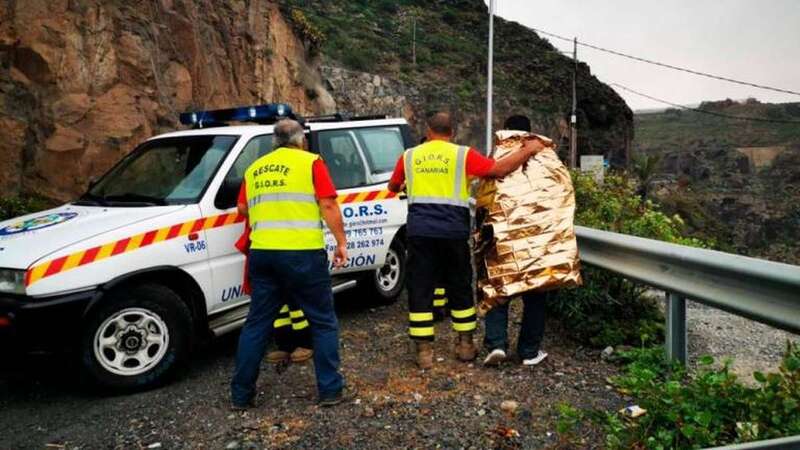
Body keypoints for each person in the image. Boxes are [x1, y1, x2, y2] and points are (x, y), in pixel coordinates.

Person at [388, 112, 547, 369]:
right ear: (452, 132)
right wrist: (528, 150)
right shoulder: (463, 155)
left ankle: (424, 352)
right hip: (453, 232)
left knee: (420, 288)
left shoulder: (409, 156)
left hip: (419, 232)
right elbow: (499, 169)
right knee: (460, 286)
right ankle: (465, 345)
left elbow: (393, 187)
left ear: (428, 131)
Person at [230, 119, 352, 409]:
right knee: (322, 321)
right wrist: (341, 242)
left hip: (262, 253)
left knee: (257, 324)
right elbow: (328, 204)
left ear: (274, 141)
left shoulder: (255, 167)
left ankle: (241, 396)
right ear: (300, 140)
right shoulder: (311, 162)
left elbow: (242, 207)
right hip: (302, 253)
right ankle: (330, 391)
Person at [483, 115, 549, 367]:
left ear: (505, 131)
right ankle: (529, 352)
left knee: (498, 289)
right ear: (529, 132)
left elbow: (484, 196)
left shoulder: (496, 157)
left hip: (501, 236)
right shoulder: (546, 158)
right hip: (536, 238)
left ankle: (497, 345)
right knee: (536, 295)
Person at [235, 190, 313, 365]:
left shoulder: (255, 174)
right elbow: (242, 206)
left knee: (293, 298)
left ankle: (304, 343)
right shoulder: (253, 177)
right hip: (270, 243)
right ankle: (286, 345)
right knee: (280, 300)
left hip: (287, 241)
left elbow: (242, 207)